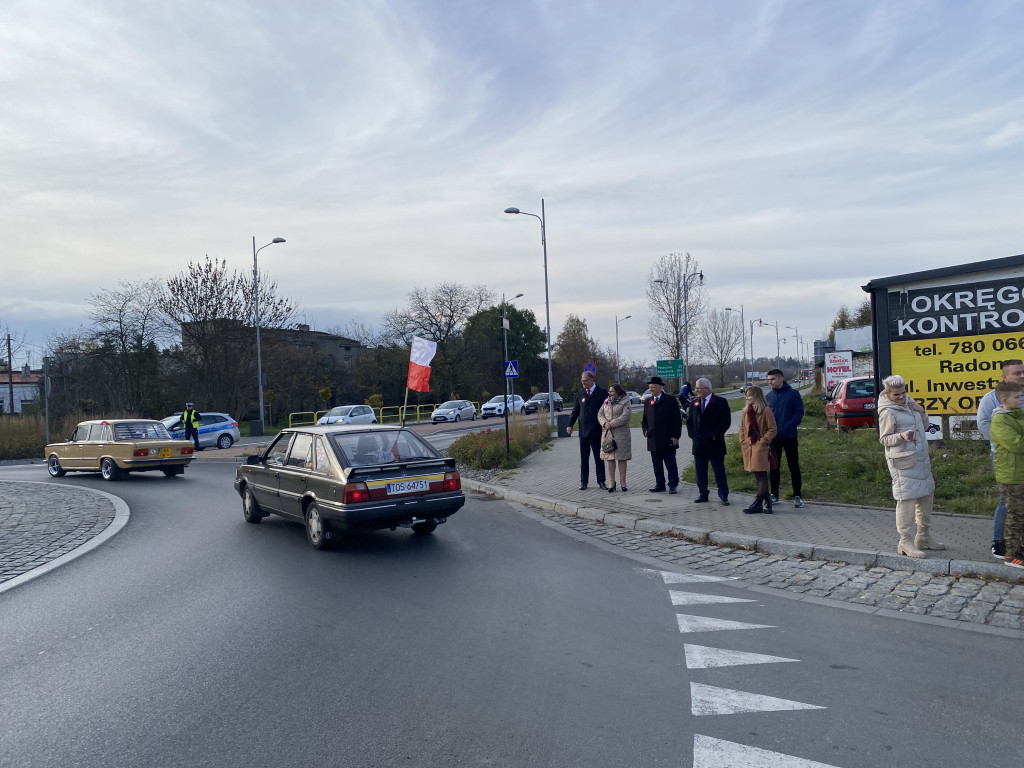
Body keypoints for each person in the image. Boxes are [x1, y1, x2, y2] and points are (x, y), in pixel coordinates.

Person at [877, 374, 944, 558]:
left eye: (903, 393)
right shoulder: (887, 411)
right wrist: (901, 436)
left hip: (921, 459)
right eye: (896, 395)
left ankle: (923, 536)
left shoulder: (910, 404)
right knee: (906, 501)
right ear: (888, 394)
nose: (901, 397)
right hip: (903, 463)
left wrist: (921, 411)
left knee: (926, 497)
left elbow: (925, 426)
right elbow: (884, 439)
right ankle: (905, 541)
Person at [975, 358, 1024, 559]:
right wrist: (1002, 441)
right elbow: (984, 423)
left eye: (1023, 372)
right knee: (1007, 501)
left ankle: (1017, 543)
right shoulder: (992, 399)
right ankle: (999, 542)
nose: (1022, 376)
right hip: (1005, 456)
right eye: (1017, 373)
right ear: (1004, 377)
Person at [989, 380, 1024, 569]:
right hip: (1012, 475)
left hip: (1021, 472)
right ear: (1004, 400)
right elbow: (1017, 444)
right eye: (1017, 397)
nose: (1021, 399)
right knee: (1015, 515)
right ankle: (1011, 554)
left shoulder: (1018, 415)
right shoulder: (1000, 420)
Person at [685, 377, 731, 505]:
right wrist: (692, 434)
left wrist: (715, 434)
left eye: (699, 388)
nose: (697, 390)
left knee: (719, 471)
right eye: (696, 388)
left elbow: (725, 421)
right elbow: (689, 420)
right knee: (700, 472)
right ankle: (703, 493)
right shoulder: (694, 403)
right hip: (699, 444)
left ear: (707, 389)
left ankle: (723, 495)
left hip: (714, 443)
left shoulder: (720, 402)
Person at [765, 369, 804, 508]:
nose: (770, 382)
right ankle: (774, 494)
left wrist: (789, 425)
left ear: (781, 378)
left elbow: (799, 412)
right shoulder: (769, 396)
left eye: (773, 379)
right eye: (768, 379)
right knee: (774, 467)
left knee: (793, 466)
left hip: (789, 437)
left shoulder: (793, 394)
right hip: (774, 439)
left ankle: (797, 495)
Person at [738, 385, 778, 514]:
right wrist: (743, 441)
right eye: (746, 395)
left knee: (761, 475)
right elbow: (742, 429)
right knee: (758, 475)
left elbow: (773, 429)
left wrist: (763, 442)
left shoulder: (766, 411)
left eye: (749, 395)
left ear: (756, 396)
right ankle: (767, 502)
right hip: (748, 447)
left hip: (760, 447)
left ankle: (758, 502)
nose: (747, 398)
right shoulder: (746, 412)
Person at [566, 371, 608, 490]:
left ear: (591, 379)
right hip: (583, 431)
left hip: (596, 431)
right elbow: (575, 411)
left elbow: (607, 411)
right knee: (584, 459)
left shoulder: (602, 393)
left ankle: (601, 481)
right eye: (582, 381)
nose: (583, 383)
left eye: (585, 380)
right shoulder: (581, 393)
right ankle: (584, 482)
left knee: (598, 458)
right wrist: (570, 424)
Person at [641, 376, 682, 493]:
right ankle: (660, 484)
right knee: (656, 464)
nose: (651, 389)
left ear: (660, 387)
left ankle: (673, 484)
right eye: (650, 387)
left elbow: (676, 420)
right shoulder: (648, 402)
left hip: (667, 438)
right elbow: (644, 420)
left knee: (670, 463)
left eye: (653, 387)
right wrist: (645, 430)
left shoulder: (670, 400)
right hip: (653, 439)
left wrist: (675, 436)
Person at [598, 383, 633, 492]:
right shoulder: (606, 402)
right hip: (608, 434)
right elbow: (600, 414)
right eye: (609, 391)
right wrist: (605, 423)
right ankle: (611, 483)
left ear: (617, 392)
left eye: (612, 391)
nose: (610, 393)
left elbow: (626, 416)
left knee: (622, 458)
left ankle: (623, 482)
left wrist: (612, 423)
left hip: (621, 433)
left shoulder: (625, 401)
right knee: (609, 458)